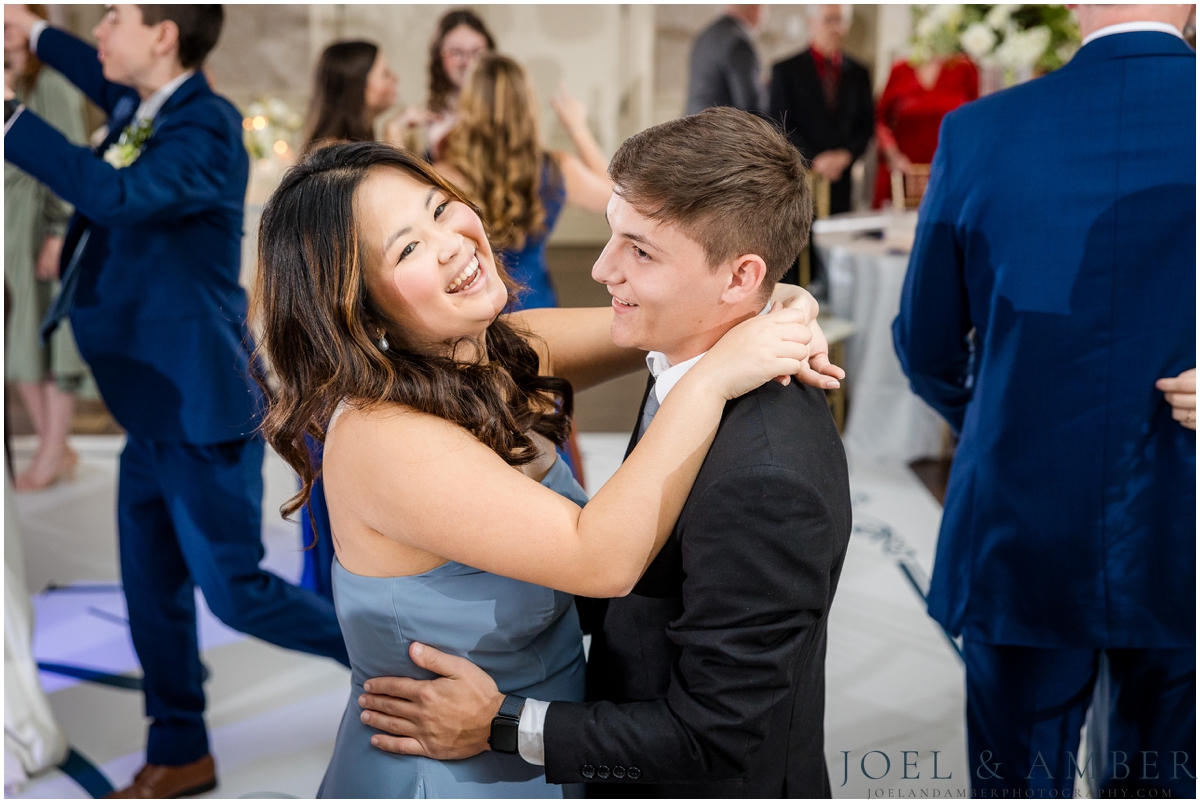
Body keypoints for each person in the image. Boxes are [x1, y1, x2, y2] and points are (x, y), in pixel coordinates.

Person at [252, 137, 836, 797]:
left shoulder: (491, 353)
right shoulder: (381, 436)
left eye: (440, 208)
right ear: (356, 305)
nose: (450, 243)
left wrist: (784, 302)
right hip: (448, 770)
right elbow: (601, 559)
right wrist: (711, 382)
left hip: (542, 750)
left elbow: (681, 310)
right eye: (407, 248)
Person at [2, 6, 349, 797]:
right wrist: (33, 31)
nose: (100, 30)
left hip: (201, 401)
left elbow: (118, 193)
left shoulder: (209, 125)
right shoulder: (142, 104)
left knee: (237, 593)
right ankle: (181, 747)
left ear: (163, 35)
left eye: (114, 16)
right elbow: (95, 76)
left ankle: (397, 658)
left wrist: (9, 118)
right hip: (150, 403)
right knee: (149, 589)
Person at [892, 4, 1195, 797]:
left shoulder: (980, 131)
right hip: (1184, 521)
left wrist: (1003, 415)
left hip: (1021, 523)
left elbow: (925, 344)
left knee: (1018, 781)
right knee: (1166, 779)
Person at [438, 54, 612, 312]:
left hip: (478, 309)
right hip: (538, 307)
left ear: (468, 106)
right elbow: (614, 195)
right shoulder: (559, 168)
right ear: (528, 105)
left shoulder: (443, 177)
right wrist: (577, 127)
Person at [3, 3, 90, 492]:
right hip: (8, 226)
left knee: (49, 343)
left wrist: (58, 233)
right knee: (16, 347)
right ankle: (51, 443)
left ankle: (53, 447)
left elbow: (69, 161)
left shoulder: (52, 84)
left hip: (38, 224)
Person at [768, 4, 874, 216]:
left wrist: (845, 156)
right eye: (829, 20)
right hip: (799, 179)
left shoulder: (859, 73)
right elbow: (780, 124)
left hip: (842, 181)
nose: (837, 28)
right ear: (812, 23)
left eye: (841, 21)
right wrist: (816, 160)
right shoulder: (785, 70)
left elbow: (866, 125)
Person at [871, 50, 978, 208]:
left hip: (949, 172)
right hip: (903, 173)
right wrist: (892, 153)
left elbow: (975, 119)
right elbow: (878, 119)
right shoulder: (900, 69)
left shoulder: (964, 68)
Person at [392, 9, 496, 160]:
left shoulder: (503, 113)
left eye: (477, 52)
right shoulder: (422, 122)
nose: (468, 62)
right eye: (457, 52)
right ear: (439, 58)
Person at [302, 39, 397, 154]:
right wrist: (395, 140)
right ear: (358, 84)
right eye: (385, 74)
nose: (395, 78)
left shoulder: (356, 142)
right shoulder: (336, 151)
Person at [685, 4, 766, 116]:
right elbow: (751, 105)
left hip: (695, 122)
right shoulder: (739, 43)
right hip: (721, 125)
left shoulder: (705, 35)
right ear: (755, 9)